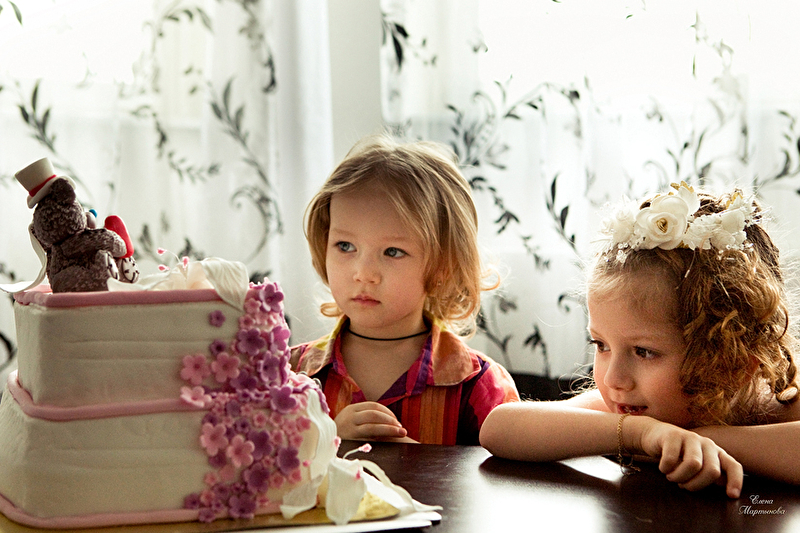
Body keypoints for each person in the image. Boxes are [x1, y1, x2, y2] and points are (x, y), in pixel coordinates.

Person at [480, 183, 800, 496]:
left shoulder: (782, 402)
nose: (613, 378)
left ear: (733, 362)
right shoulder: (635, 415)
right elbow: (500, 427)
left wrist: (697, 440)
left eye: (643, 352)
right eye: (601, 345)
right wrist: (640, 435)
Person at [291, 134, 519, 445]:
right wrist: (325, 442)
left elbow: (507, 475)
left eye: (393, 252)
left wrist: (415, 461)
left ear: (443, 266)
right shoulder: (288, 373)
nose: (363, 274)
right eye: (345, 246)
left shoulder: (479, 386)